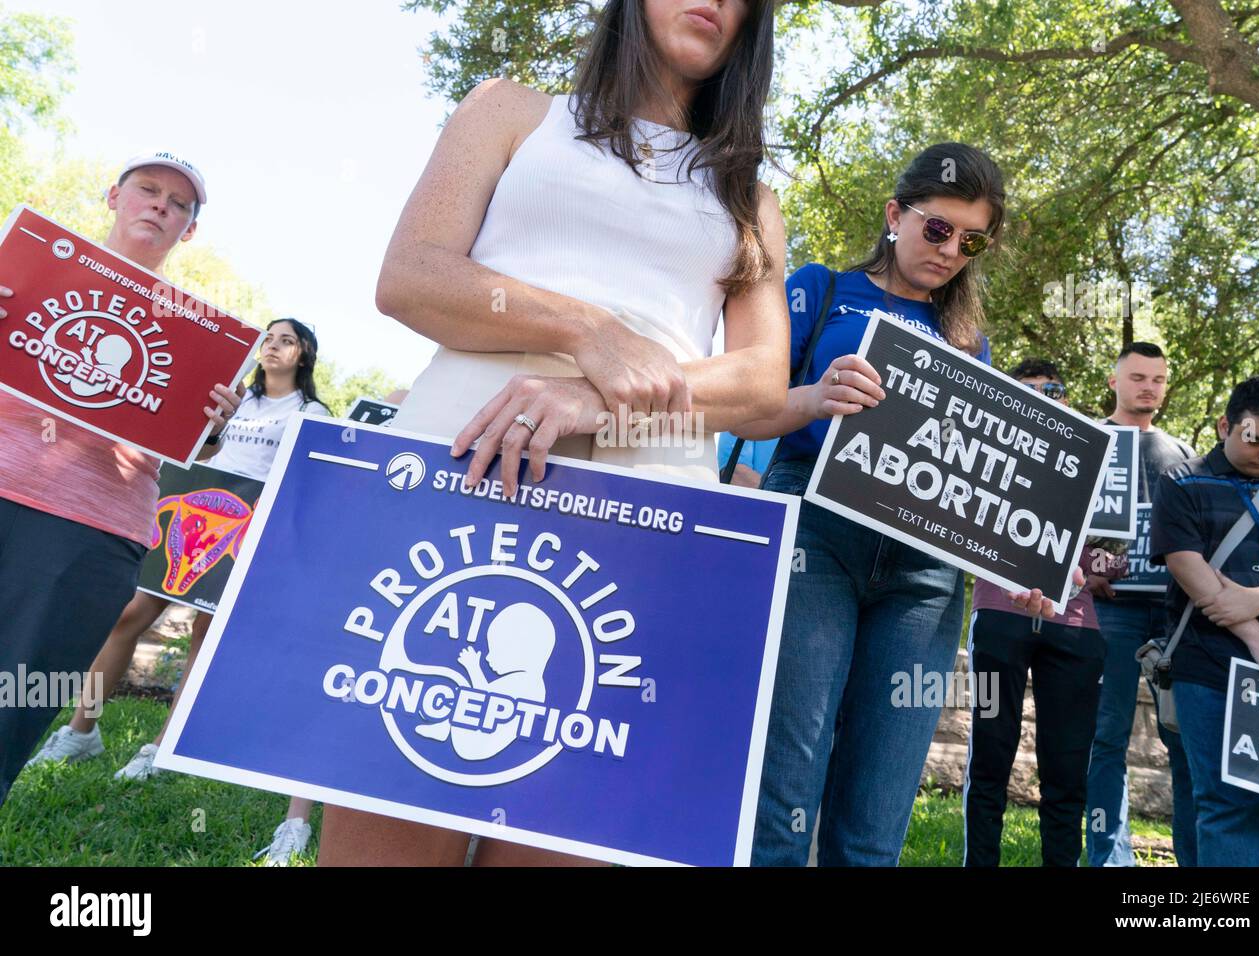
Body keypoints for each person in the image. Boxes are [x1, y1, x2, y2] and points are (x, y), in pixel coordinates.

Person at [322, 0, 790, 866]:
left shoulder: (749, 195)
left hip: (645, 525)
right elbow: (412, 276)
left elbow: (762, 382)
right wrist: (590, 333)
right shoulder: (510, 111)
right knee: (392, 813)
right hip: (455, 483)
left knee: (570, 831)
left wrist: (602, 398)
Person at [739, 142, 1009, 866]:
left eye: (972, 240)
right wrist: (812, 396)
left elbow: (981, 483)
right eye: (938, 228)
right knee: (786, 787)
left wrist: (1026, 559)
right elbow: (744, 410)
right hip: (815, 544)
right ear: (895, 215)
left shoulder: (971, 344)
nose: (952, 250)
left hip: (924, 577)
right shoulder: (819, 288)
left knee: (878, 813)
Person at [25, 317, 330, 864]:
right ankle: (81, 731)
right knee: (128, 616)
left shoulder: (311, 414)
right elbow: (198, 454)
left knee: (200, 634)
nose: (274, 346)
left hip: (241, 530)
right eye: (269, 337)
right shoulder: (235, 401)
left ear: (305, 355)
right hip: (187, 517)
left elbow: (305, 481)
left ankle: (160, 747)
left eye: (287, 340)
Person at [0, 151, 241, 808]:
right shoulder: (27, 269)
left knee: (15, 704)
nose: (162, 204)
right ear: (114, 196)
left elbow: (196, 445)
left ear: (187, 231)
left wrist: (216, 424)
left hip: (92, 530)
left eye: (180, 203)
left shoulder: (202, 332)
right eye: (148, 189)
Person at [963, 359, 1125, 866]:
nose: (1041, 395)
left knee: (1068, 764)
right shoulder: (981, 455)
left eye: (1051, 388)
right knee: (990, 753)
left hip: (1076, 628)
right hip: (998, 617)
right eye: (1026, 389)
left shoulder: (1100, 466)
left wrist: (1097, 568)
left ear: (1067, 400)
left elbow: (1116, 554)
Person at [1152, 374, 1259, 866]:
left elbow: (1233, 596)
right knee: (1224, 805)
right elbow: (1189, 568)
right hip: (1210, 668)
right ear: (1226, 426)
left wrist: (1257, 600)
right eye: (1257, 440)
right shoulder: (1182, 481)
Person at [1085, 341, 1199, 867]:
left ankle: (1197, 863)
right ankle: (1110, 861)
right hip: (1109, 611)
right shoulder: (1087, 442)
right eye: (1137, 377)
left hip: (1175, 616)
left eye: (1157, 378)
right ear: (1115, 382)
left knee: (1186, 744)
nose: (1147, 386)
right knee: (1105, 737)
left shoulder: (1181, 454)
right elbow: (1057, 522)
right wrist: (1085, 566)